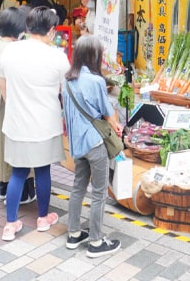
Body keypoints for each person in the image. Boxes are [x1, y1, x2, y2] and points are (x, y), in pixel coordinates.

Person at [0, 6, 70, 241]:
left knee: (18, 172)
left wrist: (15, 105)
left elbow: (3, 85)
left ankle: (10, 224)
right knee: (42, 170)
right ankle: (42, 218)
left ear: (27, 28)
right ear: (51, 31)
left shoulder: (9, 52)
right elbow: (65, 90)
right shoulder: (57, 56)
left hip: (17, 123)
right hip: (45, 124)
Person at [63, 34, 122, 257]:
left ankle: (73, 233)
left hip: (77, 143)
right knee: (99, 192)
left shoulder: (67, 79)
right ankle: (96, 242)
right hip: (95, 143)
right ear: (93, 56)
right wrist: (117, 128)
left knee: (78, 187)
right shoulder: (96, 81)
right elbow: (107, 113)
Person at [0, 6, 37, 202]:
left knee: (0, 144)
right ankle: (21, 194)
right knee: (15, 150)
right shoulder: (15, 49)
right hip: (11, 104)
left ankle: (4, 189)